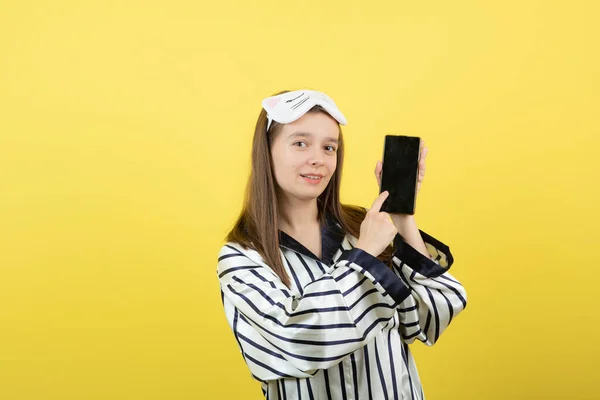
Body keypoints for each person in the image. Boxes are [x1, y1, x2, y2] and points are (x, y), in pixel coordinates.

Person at [216, 89, 468, 400]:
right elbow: (297, 341)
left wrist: (403, 220)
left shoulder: (361, 228)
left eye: (329, 147)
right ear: (266, 152)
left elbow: (432, 315)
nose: (317, 159)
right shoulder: (242, 258)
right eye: (300, 143)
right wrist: (363, 258)